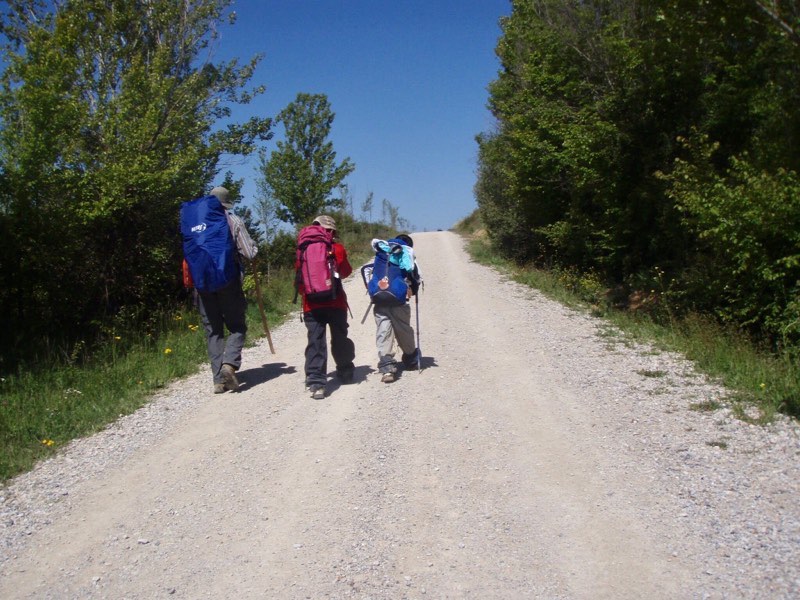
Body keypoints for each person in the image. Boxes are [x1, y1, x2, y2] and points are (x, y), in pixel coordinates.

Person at [196, 186, 258, 394]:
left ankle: (218, 382)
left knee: (213, 330)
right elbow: (249, 253)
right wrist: (254, 247)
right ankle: (229, 365)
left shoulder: (196, 224)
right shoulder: (233, 220)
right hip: (228, 281)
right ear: (226, 203)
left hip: (202, 283)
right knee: (237, 326)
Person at [297, 215, 356, 399]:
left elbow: (299, 279)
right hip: (335, 302)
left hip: (311, 305)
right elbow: (346, 271)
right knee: (339, 337)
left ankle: (316, 383)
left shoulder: (303, 249)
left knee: (315, 341)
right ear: (331, 231)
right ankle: (345, 371)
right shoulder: (336, 248)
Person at [371, 233, 421, 383]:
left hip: (379, 298)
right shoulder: (406, 253)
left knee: (383, 329)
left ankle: (387, 367)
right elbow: (415, 278)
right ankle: (411, 359)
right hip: (399, 300)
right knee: (403, 328)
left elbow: (370, 273)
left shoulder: (381, 252)